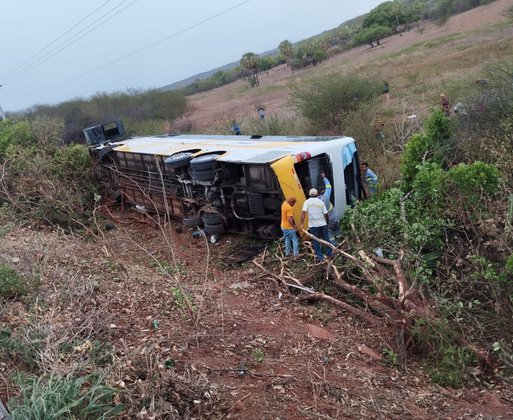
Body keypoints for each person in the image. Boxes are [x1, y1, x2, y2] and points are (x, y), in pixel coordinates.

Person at [301, 188, 333, 263]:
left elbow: (303, 214)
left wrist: (302, 223)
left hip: (313, 225)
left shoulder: (306, 202)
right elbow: (326, 214)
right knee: (326, 238)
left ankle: (320, 257)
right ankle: (329, 254)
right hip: (322, 224)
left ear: (309, 194)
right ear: (317, 194)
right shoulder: (320, 202)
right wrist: (327, 222)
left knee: (316, 241)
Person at [319, 172, 340, 244]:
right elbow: (329, 187)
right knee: (337, 230)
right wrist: (324, 178)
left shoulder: (317, 202)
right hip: (335, 218)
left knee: (330, 233)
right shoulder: (326, 196)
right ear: (323, 191)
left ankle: (335, 245)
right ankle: (340, 242)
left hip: (328, 221)